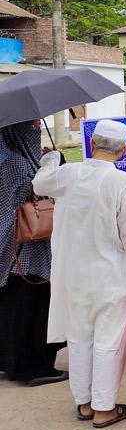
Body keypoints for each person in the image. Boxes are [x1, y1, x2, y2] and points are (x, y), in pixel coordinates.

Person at [33, 119, 126, 427]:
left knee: (80, 339)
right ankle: (104, 408)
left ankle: (85, 404)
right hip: (109, 276)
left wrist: (50, 159)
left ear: (91, 144)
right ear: (125, 149)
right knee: (108, 342)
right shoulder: (121, 182)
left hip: (71, 277)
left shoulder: (67, 175)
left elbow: (39, 183)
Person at [0, 122, 67, 387]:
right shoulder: (15, 162)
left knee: (13, 306)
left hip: (12, 244)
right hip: (26, 246)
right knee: (33, 307)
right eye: (31, 128)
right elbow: (29, 192)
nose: (36, 131)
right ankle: (33, 367)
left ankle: (11, 362)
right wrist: (50, 167)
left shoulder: (9, 156)